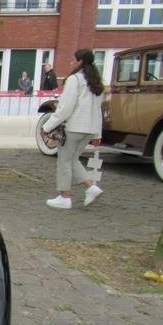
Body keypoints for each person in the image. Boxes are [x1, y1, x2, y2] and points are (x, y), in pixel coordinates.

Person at [41, 49, 104, 210]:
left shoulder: (74, 79)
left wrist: (47, 126)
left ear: (80, 62)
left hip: (74, 127)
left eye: (73, 60)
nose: (71, 62)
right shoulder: (96, 82)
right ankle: (91, 187)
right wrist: (98, 133)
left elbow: (65, 108)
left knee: (64, 161)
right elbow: (98, 110)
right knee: (73, 160)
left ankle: (65, 196)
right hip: (89, 128)